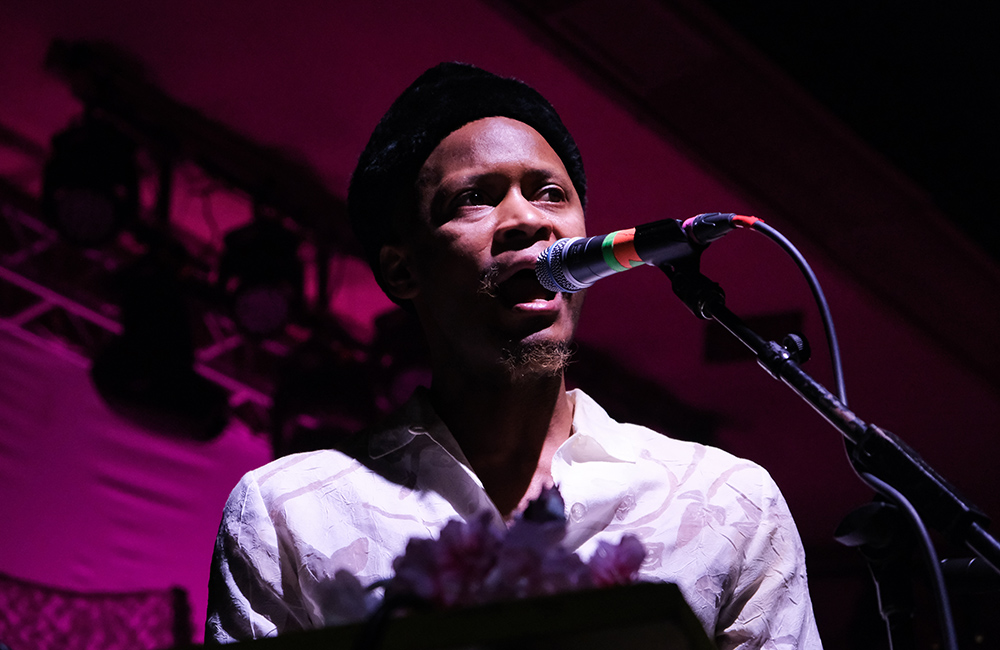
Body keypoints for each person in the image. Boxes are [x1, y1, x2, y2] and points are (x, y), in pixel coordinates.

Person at [205, 62, 823, 648]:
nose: (528, 219)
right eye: (474, 198)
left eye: (551, 193)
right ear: (401, 269)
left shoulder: (726, 501)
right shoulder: (290, 511)